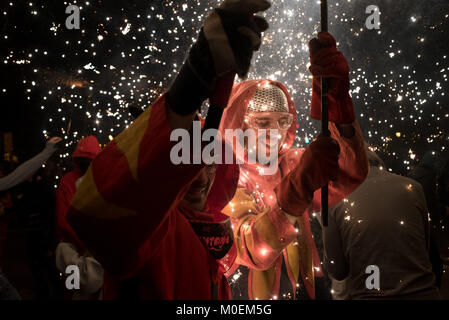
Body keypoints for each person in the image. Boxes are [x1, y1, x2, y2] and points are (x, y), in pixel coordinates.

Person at [66, 0, 271, 299]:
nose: (200, 177)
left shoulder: (216, 235)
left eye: (208, 163)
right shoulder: (148, 232)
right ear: (165, 166)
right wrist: (191, 83)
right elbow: (92, 216)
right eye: (184, 164)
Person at [218, 32, 369, 300]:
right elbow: (251, 248)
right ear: (237, 126)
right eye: (262, 122)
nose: (274, 131)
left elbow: (351, 171)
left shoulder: (290, 163)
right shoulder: (222, 177)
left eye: (282, 120)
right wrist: (299, 186)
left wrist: (337, 104)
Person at [323, 148, 440, 299]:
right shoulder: (413, 187)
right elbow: (425, 249)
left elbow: (337, 271)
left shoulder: (335, 200)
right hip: (425, 293)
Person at [0, 136, 61, 300]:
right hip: (39, 234)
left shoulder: (45, 185)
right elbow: (16, 178)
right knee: (39, 267)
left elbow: (15, 177)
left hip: (49, 235)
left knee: (57, 270)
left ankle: (63, 292)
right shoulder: (31, 185)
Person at [54, 135, 104, 299]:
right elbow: (64, 220)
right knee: (76, 290)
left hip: (81, 247)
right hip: (78, 247)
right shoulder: (69, 181)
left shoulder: (99, 179)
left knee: (81, 290)